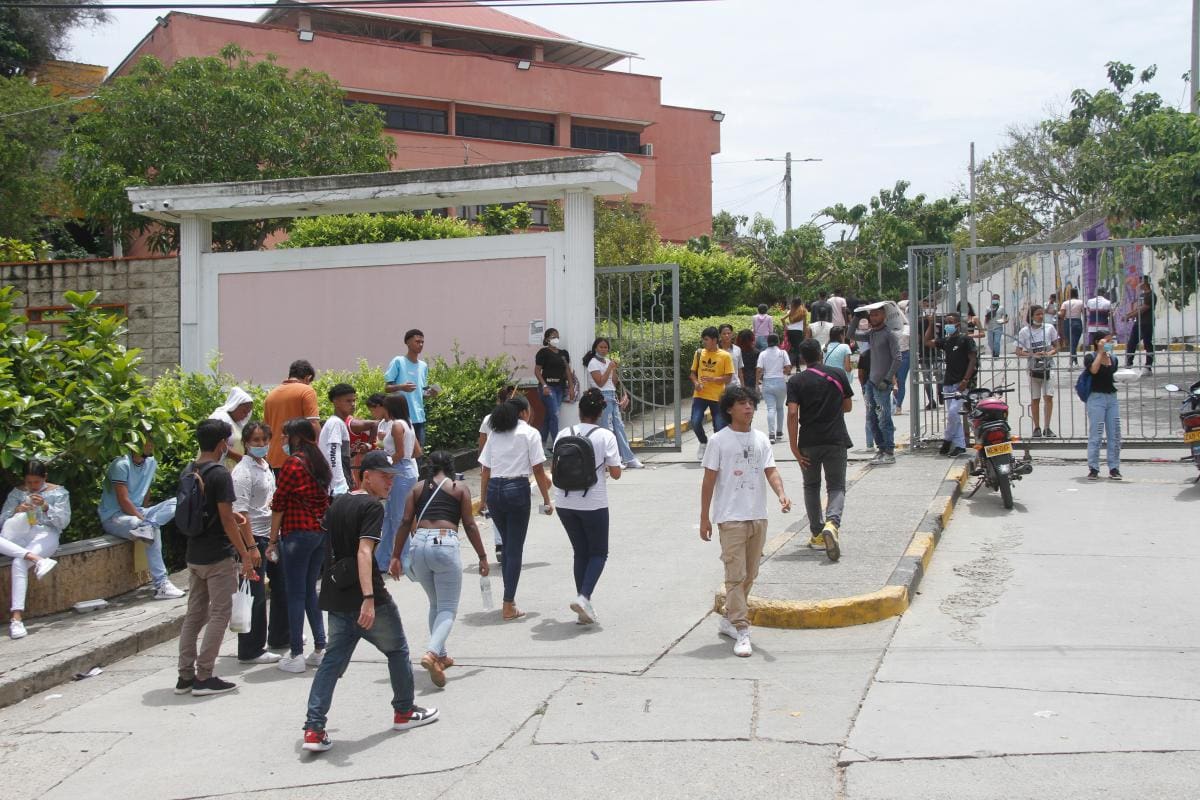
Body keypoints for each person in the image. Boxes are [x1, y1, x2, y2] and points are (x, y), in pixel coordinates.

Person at [301, 450, 439, 754]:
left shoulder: (338, 504)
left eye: (392, 478)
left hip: (338, 596)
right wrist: (368, 599)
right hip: (367, 596)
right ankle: (404, 711)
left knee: (331, 663)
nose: (389, 483)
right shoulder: (371, 507)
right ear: (366, 476)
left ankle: (313, 728)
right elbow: (364, 553)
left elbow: (333, 550)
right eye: (384, 477)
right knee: (397, 649)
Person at [699, 386, 791, 658]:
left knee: (750, 574)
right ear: (729, 409)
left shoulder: (761, 439)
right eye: (741, 403)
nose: (748, 408)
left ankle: (729, 617)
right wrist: (705, 517)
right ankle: (742, 627)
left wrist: (781, 494)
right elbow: (708, 481)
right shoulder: (718, 441)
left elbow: (770, 470)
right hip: (730, 519)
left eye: (751, 403)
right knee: (735, 576)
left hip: (757, 515)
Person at [389, 450, 486, 688]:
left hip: (418, 545)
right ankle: (432, 653)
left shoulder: (416, 488)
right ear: (451, 467)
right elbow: (470, 525)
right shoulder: (458, 488)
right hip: (444, 544)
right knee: (448, 608)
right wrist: (482, 556)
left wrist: (395, 556)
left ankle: (441, 655)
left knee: (435, 604)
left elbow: (404, 522)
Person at [175, 419, 258, 697]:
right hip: (218, 557)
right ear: (223, 443)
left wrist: (229, 515)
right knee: (220, 614)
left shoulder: (189, 469)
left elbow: (209, 510)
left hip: (194, 555)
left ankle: (185, 676)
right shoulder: (220, 474)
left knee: (194, 615)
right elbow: (225, 519)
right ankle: (204, 676)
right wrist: (245, 554)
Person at [477, 397, 553, 621]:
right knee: (514, 549)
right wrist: (548, 501)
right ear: (523, 412)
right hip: (516, 489)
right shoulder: (530, 433)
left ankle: (509, 600)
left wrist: (483, 501)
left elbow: (485, 471)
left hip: (495, 491)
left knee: (508, 545)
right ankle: (508, 603)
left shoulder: (495, 434)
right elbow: (538, 470)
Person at [552, 389, 622, 625]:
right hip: (593, 502)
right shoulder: (605, 436)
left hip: (563, 500)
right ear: (600, 413)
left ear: (580, 411)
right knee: (599, 553)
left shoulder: (564, 433)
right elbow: (616, 472)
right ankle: (584, 598)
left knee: (580, 552)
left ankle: (584, 605)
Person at [267, 418, 332, 674]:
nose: (282, 441)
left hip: (297, 534)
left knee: (295, 594)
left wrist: (272, 540)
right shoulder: (318, 462)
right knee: (308, 592)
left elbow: (278, 504)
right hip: (318, 533)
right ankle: (319, 647)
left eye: (285, 436)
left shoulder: (293, 464)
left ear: (296, 438)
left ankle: (295, 653)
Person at [787, 339, 853, 561]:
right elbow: (848, 406)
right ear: (821, 354)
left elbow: (793, 413)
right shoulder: (838, 374)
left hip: (808, 441)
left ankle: (817, 533)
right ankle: (832, 524)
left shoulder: (796, 381)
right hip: (836, 439)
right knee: (836, 487)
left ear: (803, 358)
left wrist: (794, 447)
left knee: (811, 486)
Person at [98, 440, 184, 599]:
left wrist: (146, 516)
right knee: (150, 528)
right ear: (136, 443)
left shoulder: (151, 462)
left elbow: (146, 491)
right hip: (116, 517)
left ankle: (149, 523)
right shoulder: (121, 464)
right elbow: (123, 501)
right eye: (148, 442)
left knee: (179, 501)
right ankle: (161, 585)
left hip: (139, 512)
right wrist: (144, 520)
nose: (152, 445)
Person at [232, 421, 287, 664]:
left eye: (265, 440)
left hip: (271, 536)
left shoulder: (264, 466)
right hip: (255, 539)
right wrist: (249, 548)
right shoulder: (242, 472)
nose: (261, 445)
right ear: (246, 443)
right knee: (254, 595)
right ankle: (251, 649)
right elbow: (240, 514)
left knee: (282, 587)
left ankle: (279, 635)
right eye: (256, 441)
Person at [1, 461, 66, 639]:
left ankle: (16, 618)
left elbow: (63, 522)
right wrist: (17, 510)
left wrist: (46, 507)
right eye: (29, 482)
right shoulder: (17, 493)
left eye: (36, 482)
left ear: (45, 477)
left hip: (46, 534)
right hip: (20, 533)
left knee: (19, 562)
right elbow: (3, 522)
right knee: (21, 554)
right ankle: (38, 559)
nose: (32, 486)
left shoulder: (59, 492)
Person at [376, 392, 423, 572]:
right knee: (389, 517)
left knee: (397, 518)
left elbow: (399, 454)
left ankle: (405, 560)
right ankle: (383, 559)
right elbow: (415, 452)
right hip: (404, 470)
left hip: (399, 471)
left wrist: (382, 461)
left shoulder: (396, 425)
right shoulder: (407, 424)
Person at [924, 311, 978, 458]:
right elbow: (927, 342)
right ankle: (960, 445)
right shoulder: (946, 341)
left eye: (950, 322)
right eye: (946, 322)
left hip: (962, 384)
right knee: (953, 416)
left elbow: (973, 360)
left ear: (958, 325)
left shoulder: (965, 340)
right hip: (948, 384)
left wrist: (966, 380)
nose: (948, 325)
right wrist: (930, 323)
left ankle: (947, 440)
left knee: (954, 412)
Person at [584, 337, 644, 469]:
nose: (604, 350)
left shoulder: (607, 361)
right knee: (606, 429)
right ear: (595, 348)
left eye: (606, 347)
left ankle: (629, 458)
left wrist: (613, 368)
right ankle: (610, 460)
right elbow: (600, 382)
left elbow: (614, 382)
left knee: (619, 427)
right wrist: (608, 368)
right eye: (601, 347)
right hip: (602, 396)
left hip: (611, 395)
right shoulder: (593, 363)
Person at [385, 329, 440, 447]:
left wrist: (431, 394)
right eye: (417, 341)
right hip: (401, 418)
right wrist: (401, 387)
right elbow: (387, 388)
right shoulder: (398, 361)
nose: (420, 345)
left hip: (419, 418)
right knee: (403, 453)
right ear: (408, 342)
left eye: (422, 342)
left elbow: (421, 394)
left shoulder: (423, 366)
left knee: (418, 454)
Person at [265, 360, 320, 471]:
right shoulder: (306, 391)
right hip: (299, 459)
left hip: (273, 460)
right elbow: (313, 424)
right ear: (308, 378)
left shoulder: (270, 396)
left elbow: (266, 429)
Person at [688, 326, 735, 460]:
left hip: (718, 396)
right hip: (700, 395)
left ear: (715, 340)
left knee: (719, 426)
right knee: (695, 421)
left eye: (706, 340)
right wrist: (696, 383)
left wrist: (713, 379)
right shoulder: (699, 353)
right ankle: (703, 442)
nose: (704, 343)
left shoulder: (725, 356)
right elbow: (692, 374)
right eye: (703, 340)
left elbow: (728, 377)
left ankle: (718, 452)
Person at [862, 307, 900, 465]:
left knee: (884, 417)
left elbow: (897, 358)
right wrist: (858, 318)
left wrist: (887, 379)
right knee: (871, 418)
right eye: (871, 315)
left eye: (876, 314)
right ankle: (881, 448)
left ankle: (889, 451)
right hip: (871, 382)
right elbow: (850, 335)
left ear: (884, 315)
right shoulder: (871, 334)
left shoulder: (889, 334)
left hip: (882, 384)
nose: (873, 317)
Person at [1016, 305, 1059, 438]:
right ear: (1031, 316)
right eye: (1037, 314)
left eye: (1042, 314)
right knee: (1035, 398)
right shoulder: (1024, 332)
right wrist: (1033, 355)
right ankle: (1037, 427)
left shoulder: (1049, 328)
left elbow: (1057, 346)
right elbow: (1018, 351)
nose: (1040, 316)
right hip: (1033, 368)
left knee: (1048, 397)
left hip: (1048, 367)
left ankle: (1047, 427)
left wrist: (1049, 353)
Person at [1084, 333, 1122, 480]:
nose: (1110, 343)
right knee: (1096, 434)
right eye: (1106, 340)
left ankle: (1114, 467)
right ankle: (1093, 467)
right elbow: (1093, 370)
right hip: (1096, 398)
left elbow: (1114, 376)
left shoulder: (1113, 359)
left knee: (1115, 434)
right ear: (1097, 342)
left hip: (1111, 398)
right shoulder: (1091, 357)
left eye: (1111, 341)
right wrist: (1100, 352)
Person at [534, 327, 579, 451]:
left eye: (557, 336)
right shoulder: (543, 352)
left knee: (550, 416)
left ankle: (540, 446)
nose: (556, 339)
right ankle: (557, 446)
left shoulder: (563, 353)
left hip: (559, 388)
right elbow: (537, 371)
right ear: (547, 339)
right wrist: (544, 385)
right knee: (555, 415)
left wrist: (570, 387)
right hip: (547, 388)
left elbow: (567, 371)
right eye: (553, 336)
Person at [320, 383, 357, 497]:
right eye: (348, 401)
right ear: (336, 402)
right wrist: (340, 484)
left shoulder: (338, 422)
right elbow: (333, 454)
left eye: (354, 400)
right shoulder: (335, 423)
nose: (353, 404)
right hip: (337, 487)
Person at [756, 334, 791, 444]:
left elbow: (759, 370)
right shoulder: (783, 353)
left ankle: (771, 434)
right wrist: (783, 372)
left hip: (767, 382)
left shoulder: (763, 354)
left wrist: (757, 382)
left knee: (771, 408)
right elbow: (788, 368)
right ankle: (779, 432)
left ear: (767, 342)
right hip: (780, 381)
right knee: (780, 408)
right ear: (778, 342)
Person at [207, 386, 254, 469]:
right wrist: (240, 458)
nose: (246, 415)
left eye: (248, 412)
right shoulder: (220, 417)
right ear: (235, 405)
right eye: (244, 411)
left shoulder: (238, 424)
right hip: (217, 468)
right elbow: (217, 444)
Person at [1124, 275, 1155, 371]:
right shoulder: (1141, 295)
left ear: (1146, 282)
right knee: (1131, 343)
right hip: (1138, 323)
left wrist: (1129, 316)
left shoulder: (1151, 295)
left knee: (1147, 343)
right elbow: (1137, 308)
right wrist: (1128, 315)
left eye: (1141, 281)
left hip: (1147, 323)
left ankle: (1148, 366)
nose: (1139, 284)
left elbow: (1143, 309)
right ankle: (1129, 364)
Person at [1060, 288, 1085, 365]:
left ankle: (1072, 361)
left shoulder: (1065, 303)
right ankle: (1075, 361)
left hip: (1068, 322)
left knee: (1071, 343)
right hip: (1077, 322)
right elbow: (1084, 313)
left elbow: (1062, 315)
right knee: (1074, 343)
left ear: (1069, 294)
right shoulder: (1081, 302)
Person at [893, 310, 911, 415]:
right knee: (891, 381)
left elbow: (913, 343)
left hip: (905, 354)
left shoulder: (908, 328)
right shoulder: (889, 328)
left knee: (901, 381)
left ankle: (898, 405)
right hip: (891, 355)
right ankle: (893, 403)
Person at [783, 299, 807, 367]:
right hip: (798, 332)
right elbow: (804, 324)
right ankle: (791, 366)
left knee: (793, 349)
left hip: (790, 331)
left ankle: (797, 367)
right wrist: (804, 333)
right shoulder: (803, 311)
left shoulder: (790, 311)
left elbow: (782, 319)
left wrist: (785, 327)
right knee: (797, 350)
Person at [719, 323, 744, 388]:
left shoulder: (737, 349)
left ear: (732, 334)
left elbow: (740, 370)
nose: (727, 335)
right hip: (719, 387)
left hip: (735, 386)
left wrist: (743, 386)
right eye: (724, 334)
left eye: (729, 333)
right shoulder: (715, 350)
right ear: (720, 335)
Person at [985, 293, 1006, 359]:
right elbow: (986, 318)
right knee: (990, 342)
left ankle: (996, 354)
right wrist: (985, 326)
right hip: (990, 327)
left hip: (998, 327)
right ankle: (993, 351)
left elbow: (1005, 316)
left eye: (997, 299)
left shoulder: (1001, 308)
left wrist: (1003, 320)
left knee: (997, 341)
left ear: (999, 299)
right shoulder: (988, 308)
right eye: (994, 298)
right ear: (992, 299)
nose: (995, 300)